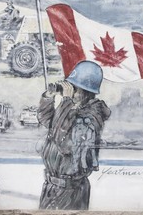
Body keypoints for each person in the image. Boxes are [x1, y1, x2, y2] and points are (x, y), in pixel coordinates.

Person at [37, 61, 111, 210]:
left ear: (86, 92)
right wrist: (48, 97)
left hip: (69, 191)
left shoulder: (90, 117)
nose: (71, 92)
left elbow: (63, 142)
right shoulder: (73, 110)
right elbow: (47, 121)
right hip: (53, 187)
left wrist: (66, 101)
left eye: (75, 89)